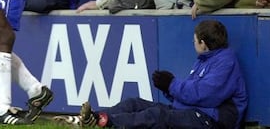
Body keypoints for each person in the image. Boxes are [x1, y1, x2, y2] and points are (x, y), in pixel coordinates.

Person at [55, 19, 248, 128]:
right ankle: (91, 118)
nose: (193, 43)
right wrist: (169, 89)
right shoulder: (205, 59)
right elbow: (194, 93)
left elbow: (205, 95)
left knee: (158, 115)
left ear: (203, 43)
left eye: (195, 40)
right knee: (134, 103)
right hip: (195, 112)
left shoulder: (226, 61)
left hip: (213, 122)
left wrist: (171, 84)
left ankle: (106, 122)